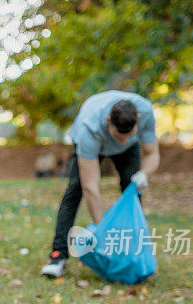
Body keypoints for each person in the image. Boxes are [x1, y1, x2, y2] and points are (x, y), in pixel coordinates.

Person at [41, 90, 160, 278]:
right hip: (93, 144)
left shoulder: (145, 111)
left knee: (133, 189)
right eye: (119, 136)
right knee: (76, 189)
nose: (123, 141)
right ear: (107, 121)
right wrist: (103, 233)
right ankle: (58, 255)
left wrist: (144, 175)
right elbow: (91, 186)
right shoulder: (89, 128)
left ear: (137, 119)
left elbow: (152, 153)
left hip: (130, 151)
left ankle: (132, 252)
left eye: (129, 135)